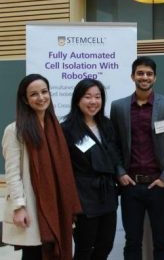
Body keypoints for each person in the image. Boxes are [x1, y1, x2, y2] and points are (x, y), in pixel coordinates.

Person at [110, 56, 164, 260]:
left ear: (155, 77)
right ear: (132, 76)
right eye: (140, 73)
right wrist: (120, 173)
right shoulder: (118, 107)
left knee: (162, 241)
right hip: (130, 186)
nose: (144, 77)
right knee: (132, 241)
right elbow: (113, 145)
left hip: (158, 186)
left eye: (149, 74)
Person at [1, 74, 81, 260]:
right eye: (34, 94)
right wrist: (19, 207)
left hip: (56, 203)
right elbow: (12, 173)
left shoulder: (56, 128)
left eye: (44, 92)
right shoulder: (15, 130)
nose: (41, 97)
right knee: (34, 253)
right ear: (25, 100)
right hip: (31, 205)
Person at [61, 78, 120, 260]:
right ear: (77, 99)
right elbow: (64, 168)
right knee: (84, 248)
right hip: (83, 197)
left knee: (105, 245)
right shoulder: (67, 129)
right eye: (88, 97)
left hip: (107, 194)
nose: (93, 102)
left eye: (97, 97)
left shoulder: (107, 125)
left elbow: (115, 155)